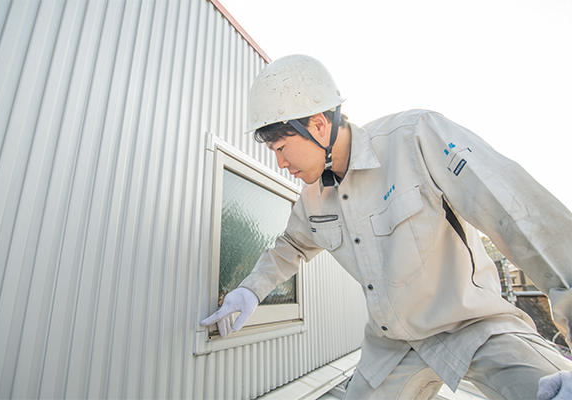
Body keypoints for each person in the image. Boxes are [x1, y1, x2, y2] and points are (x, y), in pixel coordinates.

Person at [200, 54, 572, 400]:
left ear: (317, 124)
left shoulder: (416, 137)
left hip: (474, 327)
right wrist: (249, 291)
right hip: (393, 346)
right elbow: (290, 247)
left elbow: (519, 216)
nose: (281, 163)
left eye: (281, 147)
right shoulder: (314, 197)